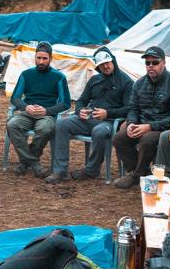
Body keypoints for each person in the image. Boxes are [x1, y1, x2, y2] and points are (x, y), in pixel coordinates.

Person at [44, 47, 133, 183]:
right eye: (101, 64)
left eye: (107, 62)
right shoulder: (94, 80)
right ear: (97, 66)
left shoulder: (126, 82)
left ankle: (91, 170)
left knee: (99, 132)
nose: (105, 66)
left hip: (109, 122)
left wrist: (107, 113)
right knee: (61, 124)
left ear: (113, 61)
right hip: (88, 119)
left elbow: (129, 108)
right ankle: (60, 171)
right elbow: (81, 100)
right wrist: (80, 111)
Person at [112, 46, 170, 189]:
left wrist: (150, 126)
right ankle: (139, 172)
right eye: (147, 63)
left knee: (147, 140)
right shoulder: (139, 83)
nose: (151, 66)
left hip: (163, 128)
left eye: (155, 62)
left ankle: (137, 175)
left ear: (164, 63)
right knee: (119, 138)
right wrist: (131, 123)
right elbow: (133, 108)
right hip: (142, 124)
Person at [7, 41, 71, 178]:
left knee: (45, 129)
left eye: (44, 58)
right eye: (39, 58)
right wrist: (25, 106)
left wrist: (47, 111)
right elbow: (15, 98)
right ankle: (34, 163)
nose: (41, 61)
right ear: (35, 57)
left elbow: (65, 103)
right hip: (27, 112)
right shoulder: (26, 74)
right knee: (12, 124)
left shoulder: (59, 77)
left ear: (51, 58)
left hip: (46, 114)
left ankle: (25, 162)